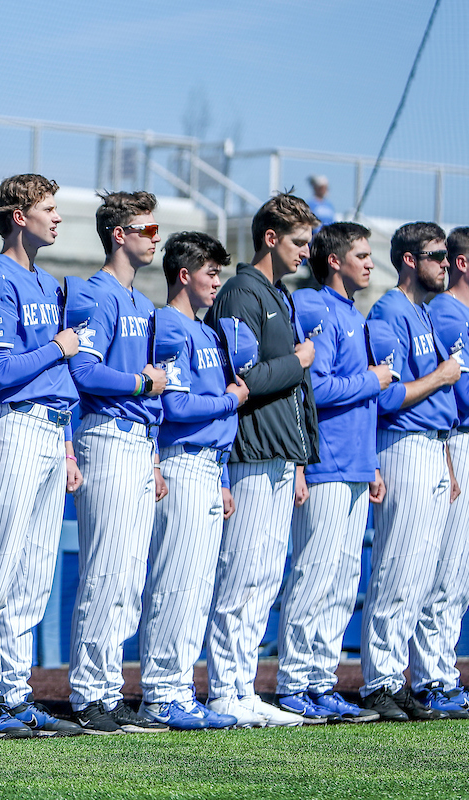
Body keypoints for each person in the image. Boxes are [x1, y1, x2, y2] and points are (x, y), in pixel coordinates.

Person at [0, 174, 84, 737]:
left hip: (52, 429)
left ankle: (14, 689)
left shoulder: (51, 282)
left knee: (34, 571)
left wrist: (66, 446)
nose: (57, 218)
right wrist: (57, 348)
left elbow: (58, 376)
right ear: (18, 216)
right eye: (48, 209)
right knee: (1, 561)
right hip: (14, 426)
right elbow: (2, 370)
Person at [202, 192, 320, 728]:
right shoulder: (240, 294)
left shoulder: (281, 294)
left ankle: (242, 685)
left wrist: (298, 458)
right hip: (249, 453)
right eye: (299, 242)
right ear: (270, 238)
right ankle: (226, 689)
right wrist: (297, 362)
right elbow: (242, 381)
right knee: (243, 573)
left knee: (265, 576)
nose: (307, 251)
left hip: (278, 454)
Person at [272, 222, 390, 723]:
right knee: (314, 575)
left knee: (343, 581)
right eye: (360, 255)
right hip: (324, 465)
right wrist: (371, 380)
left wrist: (374, 462)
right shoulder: (316, 305)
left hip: (357, 464)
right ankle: (295, 682)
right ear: (335, 261)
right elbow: (314, 389)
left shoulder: (352, 312)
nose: (369, 262)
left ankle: (322, 680)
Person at [64, 190, 168, 734]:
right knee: (106, 568)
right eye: (145, 230)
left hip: (136, 441)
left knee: (128, 574)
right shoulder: (95, 293)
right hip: (104, 436)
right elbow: (84, 371)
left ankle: (108, 687)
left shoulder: (144, 304)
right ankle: (89, 692)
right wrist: (137, 382)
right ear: (118, 235)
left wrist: (151, 454)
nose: (155, 238)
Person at [137, 232, 246, 730]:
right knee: (176, 581)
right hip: (180, 462)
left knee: (198, 584)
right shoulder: (170, 326)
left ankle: (178, 688)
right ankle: (161, 694)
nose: (216, 280)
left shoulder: (207, 331)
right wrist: (228, 401)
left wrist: (223, 475)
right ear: (185, 275)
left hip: (208, 466)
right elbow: (175, 406)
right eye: (210, 271)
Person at [360, 222, 460, 722]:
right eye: (435, 255)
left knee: (422, 574)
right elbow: (386, 395)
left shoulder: (420, 312)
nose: (445, 262)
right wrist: (441, 377)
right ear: (407, 259)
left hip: (433, 447)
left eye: (445, 255)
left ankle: (405, 680)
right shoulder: (389, 311)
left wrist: (447, 460)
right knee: (398, 570)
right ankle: (380, 681)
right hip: (403, 446)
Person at [420, 224, 469, 718]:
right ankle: (435, 678)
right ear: (462, 262)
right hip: (455, 438)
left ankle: (443, 672)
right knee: (447, 573)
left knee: (461, 575)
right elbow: (462, 394)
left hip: (456, 441)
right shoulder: (448, 314)